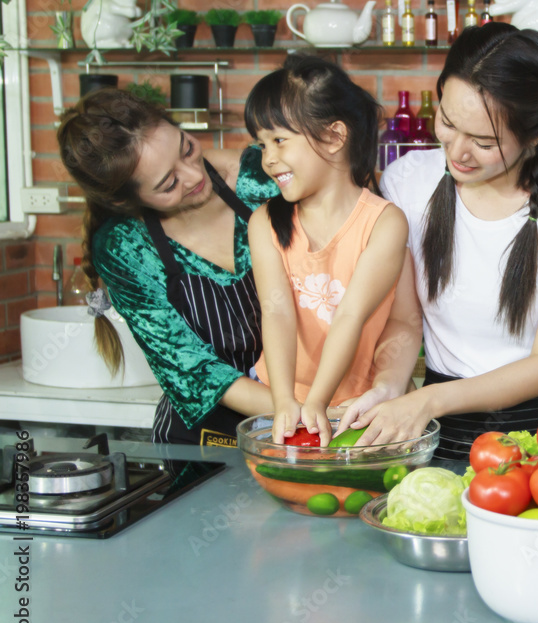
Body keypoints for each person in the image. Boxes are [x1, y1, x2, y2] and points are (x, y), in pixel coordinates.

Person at [338, 23, 538, 460]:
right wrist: (388, 387)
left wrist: (426, 401)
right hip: (440, 428)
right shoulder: (407, 180)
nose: (457, 152)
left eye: (484, 142)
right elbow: (406, 322)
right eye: (448, 122)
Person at [57, 88, 279, 446]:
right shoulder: (125, 247)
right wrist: (307, 413)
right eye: (169, 184)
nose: (192, 176)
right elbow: (194, 371)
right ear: (125, 199)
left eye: (187, 149)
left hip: (313, 414)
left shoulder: (262, 176)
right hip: (210, 443)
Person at [244, 55, 409, 446]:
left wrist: (316, 401)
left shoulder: (384, 222)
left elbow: (351, 315)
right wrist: (284, 401)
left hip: (353, 408)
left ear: (335, 137)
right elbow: (277, 310)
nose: (268, 159)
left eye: (280, 140)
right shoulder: (264, 221)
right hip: (281, 400)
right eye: (261, 144)